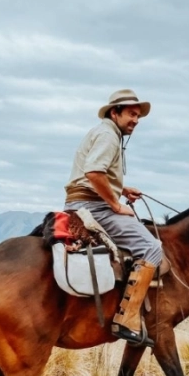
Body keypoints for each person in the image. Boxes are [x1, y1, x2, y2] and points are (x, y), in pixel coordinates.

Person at [64, 89, 164, 348]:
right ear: (114, 112)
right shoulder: (109, 135)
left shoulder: (106, 133)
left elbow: (97, 174)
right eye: (131, 114)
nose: (136, 120)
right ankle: (127, 318)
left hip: (82, 200)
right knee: (152, 247)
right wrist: (115, 204)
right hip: (93, 206)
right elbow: (94, 172)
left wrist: (122, 189)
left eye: (138, 116)